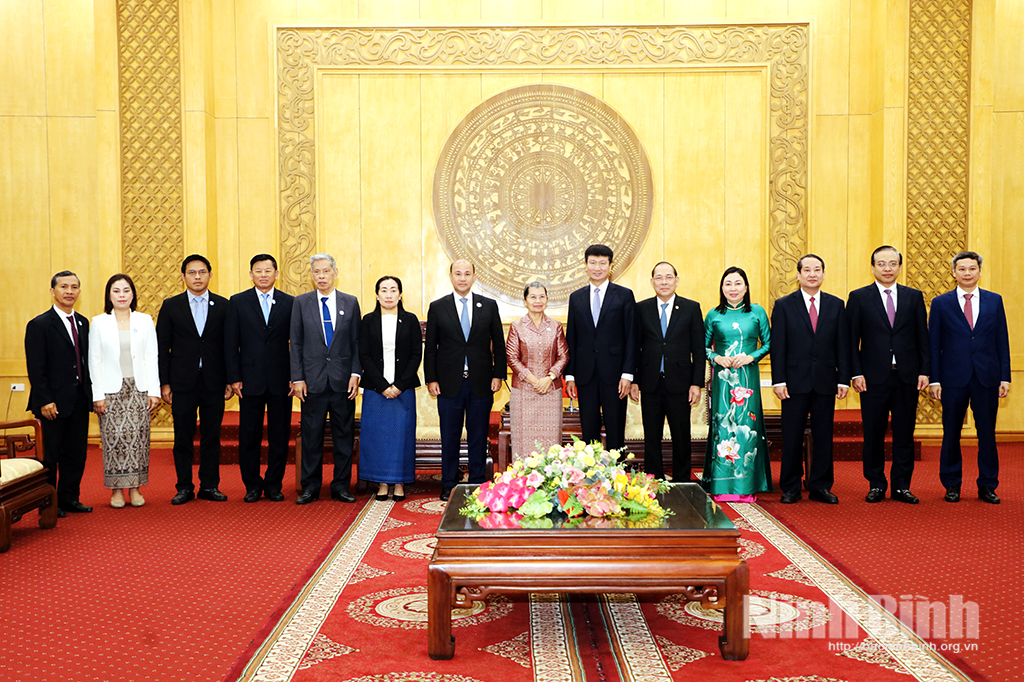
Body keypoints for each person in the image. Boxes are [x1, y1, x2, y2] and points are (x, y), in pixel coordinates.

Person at [847, 246, 930, 504]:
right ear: (872, 267)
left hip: (907, 376)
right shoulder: (859, 297)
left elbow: (922, 338)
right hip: (872, 378)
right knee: (873, 433)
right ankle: (876, 484)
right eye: (881, 264)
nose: (887, 268)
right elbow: (851, 340)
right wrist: (855, 373)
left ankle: (902, 486)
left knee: (905, 433)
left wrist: (925, 371)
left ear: (899, 267)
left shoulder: (913, 297)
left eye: (892, 263)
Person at [928, 251, 1011, 505]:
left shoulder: (994, 301)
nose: (967, 273)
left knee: (987, 433)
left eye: (972, 269)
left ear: (979, 271)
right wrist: (935, 379)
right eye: (962, 269)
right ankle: (952, 484)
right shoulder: (941, 303)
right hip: (953, 378)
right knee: (950, 432)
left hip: (986, 377)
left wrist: (1004, 376)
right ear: (953, 272)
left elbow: (1002, 340)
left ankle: (988, 485)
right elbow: (934, 344)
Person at [424, 259, 507, 501]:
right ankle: (449, 482)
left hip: (481, 382)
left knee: (478, 435)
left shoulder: (488, 306)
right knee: (449, 435)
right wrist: (431, 378)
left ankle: (477, 482)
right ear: (450, 276)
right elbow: (431, 348)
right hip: (449, 383)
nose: (462, 278)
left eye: (467, 274)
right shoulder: (438, 307)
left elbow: (499, 345)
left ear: (474, 276)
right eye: (458, 273)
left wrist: (498, 374)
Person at [771, 254, 850, 504]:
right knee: (792, 435)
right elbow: (778, 346)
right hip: (793, 382)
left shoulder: (836, 305)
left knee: (824, 435)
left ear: (824, 274)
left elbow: (843, 345)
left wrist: (843, 379)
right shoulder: (784, 305)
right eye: (807, 270)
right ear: (798, 275)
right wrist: (779, 380)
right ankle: (791, 486)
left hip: (826, 380)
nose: (812, 274)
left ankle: (820, 485)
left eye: (817, 270)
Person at [157, 254, 232, 505]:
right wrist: (164, 383)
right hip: (182, 383)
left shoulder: (223, 306)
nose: (197, 277)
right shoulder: (170, 306)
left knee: (212, 437)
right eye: (192, 272)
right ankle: (184, 487)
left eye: (202, 272)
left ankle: (210, 485)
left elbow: (230, 348)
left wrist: (230, 380)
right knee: (183, 437)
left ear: (210, 275)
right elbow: (162, 348)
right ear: (183, 276)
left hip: (214, 382)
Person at [290, 254, 361, 505]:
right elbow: (296, 343)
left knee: (343, 436)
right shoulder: (301, 303)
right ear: (312, 275)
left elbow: (355, 343)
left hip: (343, 383)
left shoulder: (350, 303)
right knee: (312, 436)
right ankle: (310, 486)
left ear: (335, 272)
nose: (321, 276)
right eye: (317, 272)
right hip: (312, 382)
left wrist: (355, 374)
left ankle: (340, 486)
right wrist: (297, 378)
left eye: (326, 271)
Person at [225, 254, 295, 503]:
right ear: (251, 274)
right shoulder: (238, 302)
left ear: (277, 273)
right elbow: (231, 343)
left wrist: (295, 376)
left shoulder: (290, 302)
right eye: (258, 270)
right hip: (249, 379)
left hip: (281, 380)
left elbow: (296, 344)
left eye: (268, 270)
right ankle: (252, 485)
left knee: (279, 435)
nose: (263, 275)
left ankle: (274, 484)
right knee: (249, 435)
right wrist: (234, 377)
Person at [88, 274, 161, 508]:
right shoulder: (99, 322)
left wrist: (154, 391)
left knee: (138, 440)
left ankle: (136, 488)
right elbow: (94, 361)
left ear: (133, 294)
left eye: (126, 291)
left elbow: (152, 357)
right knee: (114, 440)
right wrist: (97, 395)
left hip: (139, 388)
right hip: (110, 391)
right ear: (109, 295)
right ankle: (116, 490)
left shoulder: (145, 320)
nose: (121, 295)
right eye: (116, 291)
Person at [25, 271, 94, 517]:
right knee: (50, 455)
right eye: (64, 286)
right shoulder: (39, 324)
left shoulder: (84, 322)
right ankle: (48, 502)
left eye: (75, 287)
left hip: (78, 400)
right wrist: (44, 400)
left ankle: (69, 498)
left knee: (75, 453)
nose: (70, 291)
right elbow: (36, 368)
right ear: (52, 291)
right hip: (51, 402)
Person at [701, 267, 772, 502]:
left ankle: (745, 485)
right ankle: (721, 486)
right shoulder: (713, 315)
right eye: (728, 284)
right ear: (722, 288)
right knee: (724, 424)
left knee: (747, 423)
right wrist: (716, 357)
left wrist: (751, 356)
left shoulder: (757, 312)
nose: (733, 288)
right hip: (723, 378)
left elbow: (769, 343)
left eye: (738, 283)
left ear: (746, 287)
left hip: (747, 377)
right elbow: (701, 345)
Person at [630, 262, 704, 481]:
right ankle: (654, 479)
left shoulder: (691, 308)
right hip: (650, 382)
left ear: (676, 280)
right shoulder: (641, 308)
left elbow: (698, 350)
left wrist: (696, 383)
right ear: (652, 282)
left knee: (681, 435)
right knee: (651, 436)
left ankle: (682, 481)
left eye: (668, 277)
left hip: (680, 383)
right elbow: (635, 347)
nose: (664, 282)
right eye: (659, 278)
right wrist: (634, 380)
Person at [564, 244, 637, 451]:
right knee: (589, 432)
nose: (598, 267)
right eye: (593, 263)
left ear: (610, 266)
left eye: (602, 263)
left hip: (615, 376)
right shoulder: (576, 297)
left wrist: (628, 374)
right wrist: (570, 376)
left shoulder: (624, 295)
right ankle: (591, 479)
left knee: (615, 432)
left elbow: (632, 336)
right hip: (585, 375)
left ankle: (617, 479)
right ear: (585, 265)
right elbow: (573, 337)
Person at [358, 276, 422, 501]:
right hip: (376, 391)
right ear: (376, 295)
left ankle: (400, 482)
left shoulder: (411, 320)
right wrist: (383, 386)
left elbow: (416, 355)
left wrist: (399, 385)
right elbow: (363, 355)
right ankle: (382, 482)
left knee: (401, 437)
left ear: (400, 294)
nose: (388, 294)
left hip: (403, 390)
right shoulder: (367, 321)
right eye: (383, 290)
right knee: (378, 436)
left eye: (393, 290)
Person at [506, 282, 569, 461]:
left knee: (550, 444)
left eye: (542, 296)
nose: (538, 300)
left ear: (547, 300)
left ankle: (549, 482)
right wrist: (534, 380)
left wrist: (549, 378)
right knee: (523, 442)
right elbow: (511, 358)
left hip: (551, 391)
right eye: (533, 297)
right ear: (525, 301)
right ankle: (523, 484)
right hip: (524, 392)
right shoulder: (517, 326)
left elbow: (563, 356)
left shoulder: (556, 326)